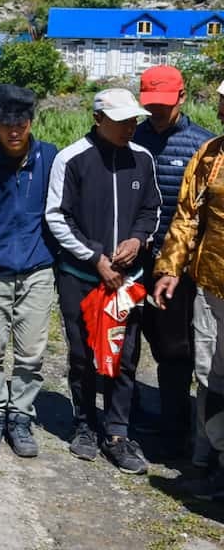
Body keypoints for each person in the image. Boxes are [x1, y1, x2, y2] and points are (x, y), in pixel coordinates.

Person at [46, 88, 160, 475]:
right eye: (123, 120)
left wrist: (138, 239)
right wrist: (95, 257)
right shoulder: (72, 159)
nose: (132, 126)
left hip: (127, 281)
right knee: (83, 354)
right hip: (82, 276)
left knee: (125, 356)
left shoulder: (142, 158)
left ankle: (116, 431)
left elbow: (151, 209)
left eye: (134, 120)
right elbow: (58, 217)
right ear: (98, 120)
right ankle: (83, 423)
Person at [0, 85, 58, 457]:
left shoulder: (51, 158)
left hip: (38, 269)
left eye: (21, 122)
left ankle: (20, 415)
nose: (14, 130)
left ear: (30, 121)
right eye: (6, 123)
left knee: (31, 353)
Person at [133, 65, 213, 454]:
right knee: (132, 337)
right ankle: (127, 413)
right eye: (150, 104)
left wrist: (177, 264)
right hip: (134, 256)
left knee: (175, 347)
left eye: (164, 104)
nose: (157, 111)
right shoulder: (132, 137)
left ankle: (175, 426)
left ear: (182, 97)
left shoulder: (203, 147)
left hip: (178, 265)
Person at [154, 81, 224, 495]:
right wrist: (170, 267)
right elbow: (187, 217)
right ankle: (206, 458)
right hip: (211, 285)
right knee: (208, 372)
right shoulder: (210, 156)